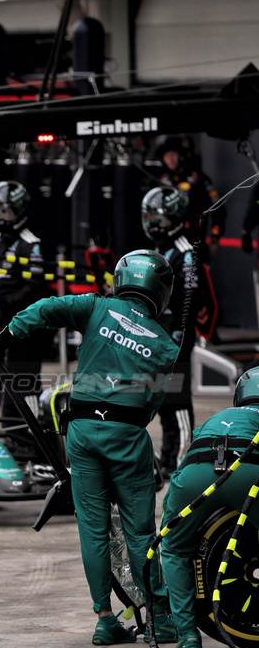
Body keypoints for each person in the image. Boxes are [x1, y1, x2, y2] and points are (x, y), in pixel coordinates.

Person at [0, 249, 180, 646]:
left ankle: (104, 619)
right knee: (139, 532)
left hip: (82, 430)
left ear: (120, 279)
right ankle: (160, 617)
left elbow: (42, 309)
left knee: (92, 529)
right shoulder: (166, 346)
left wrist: (1, 340)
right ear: (161, 292)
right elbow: (151, 406)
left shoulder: (95, 307)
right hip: (127, 436)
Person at [154, 369, 259, 648]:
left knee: (174, 549)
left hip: (195, 475)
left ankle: (187, 635)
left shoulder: (221, 416)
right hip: (246, 472)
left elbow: (185, 460)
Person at [141, 186, 218, 478]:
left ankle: (184, 457)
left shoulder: (186, 253)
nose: (150, 223)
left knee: (178, 398)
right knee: (161, 398)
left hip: (176, 338)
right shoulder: (160, 250)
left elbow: (191, 297)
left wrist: (177, 336)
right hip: (157, 337)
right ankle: (170, 453)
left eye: (155, 217)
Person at [0, 180, 53, 418]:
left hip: (24, 329)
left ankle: (32, 436)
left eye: (4, 210)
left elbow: (35, 288)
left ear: (18, 210)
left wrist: (5, 307)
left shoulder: (32, 245)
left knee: (24, 383)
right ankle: (12, 433)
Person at [154, 134, 223, 248]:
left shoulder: (198, 179)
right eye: (166, 155)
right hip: (167, 245)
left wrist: (215, 239)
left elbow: (218, 209)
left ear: (181, 155)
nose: (170, 159)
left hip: (194, 245)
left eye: (173, 154)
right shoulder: (162, 181)